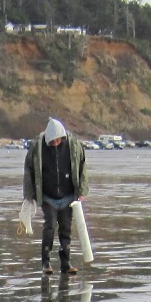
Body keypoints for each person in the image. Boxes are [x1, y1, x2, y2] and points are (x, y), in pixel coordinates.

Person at [23, 117, 88, 275]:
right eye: (52, 142)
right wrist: (29, 194)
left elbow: (82, 167)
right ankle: (45, 262)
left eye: (57, 141)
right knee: (50, 226)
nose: (55, 144)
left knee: (66, 229)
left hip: (68, 196)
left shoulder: (74, 146)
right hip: (47, 196)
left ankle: (66, 262)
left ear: (62, 137)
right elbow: (29, 170)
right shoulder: (37, 147)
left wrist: (82, 191)